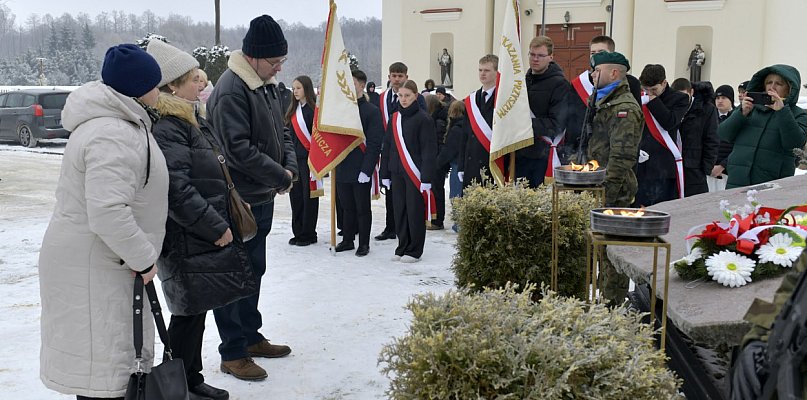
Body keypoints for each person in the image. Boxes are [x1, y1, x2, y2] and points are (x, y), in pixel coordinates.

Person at [39, 44, 168, 400]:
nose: (161, 91)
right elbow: (108, 211)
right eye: (156, 84)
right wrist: (144, 257)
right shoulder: (112, 133)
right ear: (138, 88)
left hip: (103, 262)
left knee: (106, 367)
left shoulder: (120, 124)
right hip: (98, 265)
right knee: (102, 372)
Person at [147, 38, 252, 400]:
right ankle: (177, 386)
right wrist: (215, 226)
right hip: (188, 237)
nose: (202, 83)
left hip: (200, 237)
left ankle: (190, 379)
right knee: (186, 316)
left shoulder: (191, 119)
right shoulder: (168, 127)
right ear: (172, 85)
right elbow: (178, 188)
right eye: (194, 79)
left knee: (195, 312)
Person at [206, 14, 297, 381]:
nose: (278, 68)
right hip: (238, 199)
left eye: (281, 62)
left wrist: (288, 169)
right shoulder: (232, 89)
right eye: (274, 61)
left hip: (263, 194)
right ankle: (233, 352)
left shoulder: (267, 84)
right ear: (254, 56)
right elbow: (238, 149)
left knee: (254, 270)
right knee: (234, 274)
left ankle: (250, 336)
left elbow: (283, 134)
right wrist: (281, 175)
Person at [586, 51, 643, 305]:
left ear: (614, 74)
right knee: (597, 252)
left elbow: (622, 157)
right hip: (597, 186)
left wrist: (605, 194)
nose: (592, 75)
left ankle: (612, 307)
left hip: (614, 192)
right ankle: (599, 299)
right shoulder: (602, 101)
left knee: (612, 256)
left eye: (597, 71)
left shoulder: (625, 108)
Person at [718, 64, 807, 188]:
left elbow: (794, 143)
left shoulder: (798, 114)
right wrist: (740, 114)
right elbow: (723, 134)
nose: (772, 87)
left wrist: (782, 111)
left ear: (790, 89)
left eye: (779, 84)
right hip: (738, 180)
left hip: (772, 183)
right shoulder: (749, 108)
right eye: (769, 82)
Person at [380, 80, 438, 263]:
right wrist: (384, 174)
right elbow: (388, 146)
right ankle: (402, 246)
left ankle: (414, 250)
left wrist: (427, 178)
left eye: (407, 96)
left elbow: (429, 151)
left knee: (414, 212)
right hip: (396, 172)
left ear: (416, 96)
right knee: (400, 210)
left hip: (415, 173)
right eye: (401, 96)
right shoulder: (395, 118)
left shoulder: (424, 119)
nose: (403, 99)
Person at [565, 35, 642, 164]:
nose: (595, 56)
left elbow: (632, 124)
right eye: (592, 53)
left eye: (600, 52)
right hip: (589, 153)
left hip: (613, 154)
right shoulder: (583, 82)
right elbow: (575, 119)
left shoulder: (630, 83)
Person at [334, 69, 384, 256]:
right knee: (346, 207)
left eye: (353, 83)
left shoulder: (371, 111)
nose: (349, 86)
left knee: (362, 208)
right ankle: (347, 240)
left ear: (362, 85)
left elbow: (374, 143)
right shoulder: (341, 110)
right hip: (343, 166)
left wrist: (367, 169)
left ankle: (363, 243)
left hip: (361, 168)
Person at [375, 62, 426, 241]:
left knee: (409, 201)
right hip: (389, 152)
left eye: (400, 76)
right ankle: (391, 227)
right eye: (393, 76)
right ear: (389, 77)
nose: (396, 79)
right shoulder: (382, 98)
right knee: (392, 195)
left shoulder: (416, 99)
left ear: (406, 76)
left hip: (409, 155)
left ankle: (407, 233)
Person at [635, 64, 690, 206]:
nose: (649, 93)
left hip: (664, 166)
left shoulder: (679, 99)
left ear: (664, 83)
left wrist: (653, 100)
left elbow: (669, 122)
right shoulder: (638, 96)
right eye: (646, 89)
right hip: (641, 165)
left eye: (654, 89)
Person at [520, 35, 570, 187]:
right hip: (521, 152)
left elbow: (557, 123)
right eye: (532, 54)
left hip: (543, 156)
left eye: (540, 55)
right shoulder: (523, 82)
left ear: (550, 57)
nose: (535, 59)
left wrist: (524, 125)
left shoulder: (560, 84)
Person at [284, 75, 320, 247]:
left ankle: (308, 233)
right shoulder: (292, 110)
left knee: (309, 197)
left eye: (298, 88)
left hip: (309, 160)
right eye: (294, 88)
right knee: (296, 196)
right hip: (294, 160)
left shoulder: (314, 111)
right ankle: (297, 231)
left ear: (306, 88)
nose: (295, 91)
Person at [671, 78, 719, 197]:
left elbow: (712, 139)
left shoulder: (706, 109)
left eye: (684, 96)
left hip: (695, 169)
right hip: (673, 168)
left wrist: (706, 168)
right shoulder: (671, 107)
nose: (681, 100)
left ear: (691, 92)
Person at [459, 54, 498, 188]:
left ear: (496, 73)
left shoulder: (503, 100)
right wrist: (461, 166)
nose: (482, 74)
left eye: (487, 70)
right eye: (480, 70)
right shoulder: (472, 100)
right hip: (471, 162)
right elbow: (464, 135)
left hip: (493, 163)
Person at [709, 84, 736, 191]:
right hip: (709, 171)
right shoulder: (710, 117)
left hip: (729, 173)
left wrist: (722, 166)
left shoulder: (737, 118)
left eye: (724, 98)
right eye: (717, 98)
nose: (720, 101)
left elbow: (739, 147)